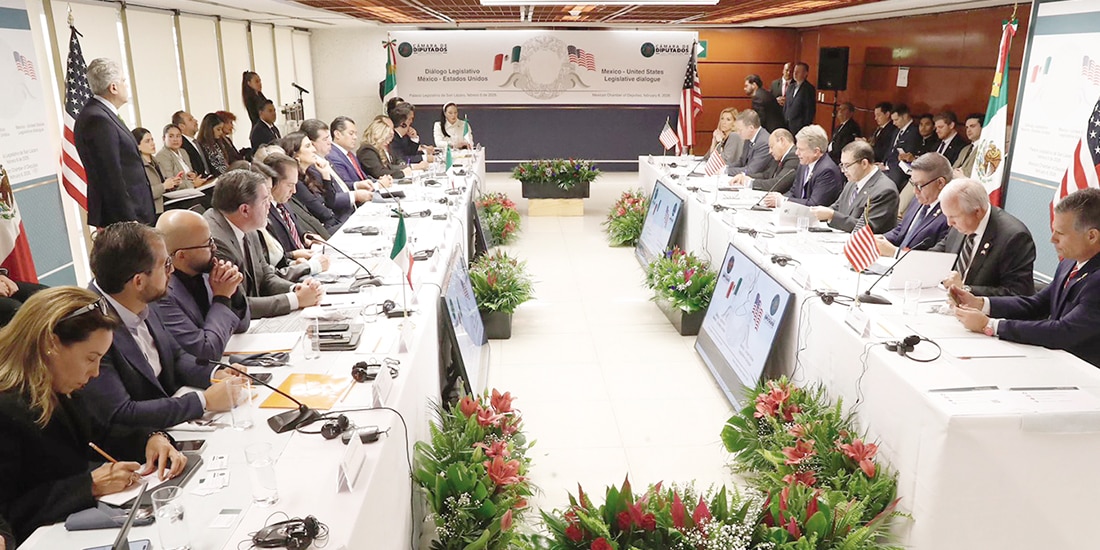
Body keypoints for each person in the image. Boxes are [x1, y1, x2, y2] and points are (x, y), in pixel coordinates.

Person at [0, 287, 187, 544]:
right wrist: (88, 486)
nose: (96, 372)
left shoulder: (59, 386)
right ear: (50, 343)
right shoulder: (6, 408)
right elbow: (8, 515)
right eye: (91, 358)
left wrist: (152, 439)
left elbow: (101, 434)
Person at [81, 222, 242, 431]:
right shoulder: (90, 328)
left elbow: (175, 357)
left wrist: (216, 374)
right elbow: (121, 413)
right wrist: (204, 402)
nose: (172, 270)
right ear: (139, 281)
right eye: (166, 264)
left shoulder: (141, 297)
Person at [952, 188, 1100, 366]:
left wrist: (990, 325)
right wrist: (981, 304)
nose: (1052, 239)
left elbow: (1064, 332)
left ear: (1092, 236)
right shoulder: (1071, 261)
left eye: (1060, 233)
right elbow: (1037, 304)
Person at [204, 169, 324, 318]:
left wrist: (297, 289)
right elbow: (237, 305)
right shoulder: (216, 241)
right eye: (265, 200)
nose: (270, 205)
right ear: (245, 210)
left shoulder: (247, 226)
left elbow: (265, 277)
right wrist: (296, 300)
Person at [155, 210, 250, 361]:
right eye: (208, 244)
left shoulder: (206, 272)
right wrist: (222, 297)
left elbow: (242, 325)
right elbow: (206, 351)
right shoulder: (162, 295)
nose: (215, 249)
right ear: (181, 255)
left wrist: (233, 289)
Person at [73, 58, 154, 227]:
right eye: (123, 81)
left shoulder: (102, 114)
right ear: (114, 87)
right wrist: (128, 219)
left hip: (135, 211)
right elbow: (110, 174)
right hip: (124, 217)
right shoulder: (97, 119)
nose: (126, 85)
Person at [931, 178, 1036, 297]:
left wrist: (965, 289)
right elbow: (939, 252)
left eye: (953, 217)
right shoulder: (961, 222)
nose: (949, 223)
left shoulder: (1014, 238)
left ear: (977, 212)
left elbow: (1017, 294)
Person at [235, 161, 328, 283]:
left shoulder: (254, 225)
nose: (270, 200)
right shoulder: (245, 230)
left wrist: (293, 263)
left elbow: (269, 268)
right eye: (266, 195)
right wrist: (307, 267)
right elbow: (264, 281)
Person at [812, 140, 899, 233]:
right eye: (842, 165)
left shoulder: (885, 190)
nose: (843, 170)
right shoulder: (852, 181)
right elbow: (838, 207)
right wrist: (820, 213)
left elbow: (866, 227)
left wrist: (832, 216)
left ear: (864, 163)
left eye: (847, 165)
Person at [877, 152, 953, 256]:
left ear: (940, 183)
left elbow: (934, 257)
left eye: (919, 185)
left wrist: (895, 253)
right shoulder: (920, 199)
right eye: (913, 183)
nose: (915, 191)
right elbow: (902, 230)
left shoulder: (951, 215)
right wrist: (881, 239)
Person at [300, 119, 373, 215]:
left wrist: (357, 185)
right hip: (340, 217)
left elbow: (340, 186)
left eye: (329, 137)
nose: (330, 142)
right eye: (325, 139)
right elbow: (329, 199)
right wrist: (355, 196)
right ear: (312, 143)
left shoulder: (326, 159)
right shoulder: (313, 168)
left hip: (352, 211)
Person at [281, 132, 350, 231]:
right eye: (308, 146)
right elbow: (324, 213)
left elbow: (331, 202)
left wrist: (326, 175)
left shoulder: (311, 173)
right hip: (323, 230)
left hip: (332, 223)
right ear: (296, 155)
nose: (314, 150)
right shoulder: (296, 183)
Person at [764, 125, 843, 208]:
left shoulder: (827, 171)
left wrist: (782, 201)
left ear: (816, 151)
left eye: (801, 149)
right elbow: (793, 192)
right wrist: (776, 199)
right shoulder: (804, 164)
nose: (796, 153)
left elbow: (814, 204)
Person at [264, 152, 331, 241]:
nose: (294, 191)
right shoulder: (264, 212)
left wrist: (306, 237)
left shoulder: (284, 203)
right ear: (273, 182)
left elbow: (297, 231)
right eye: (289, 185)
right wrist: (293, 255)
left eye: (295, 184)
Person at [728, 128, 798, 194]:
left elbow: (777, 184)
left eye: (772, 146)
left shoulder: (794, 157)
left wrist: (749, 183)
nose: (770, 151)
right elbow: (766, 175)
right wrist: (745, 176)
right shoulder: (780, 156)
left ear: (782, 141)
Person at [132, 127, 184, 215]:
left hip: (166, 203)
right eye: (147, 141)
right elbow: (143, 194)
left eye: (152, 140)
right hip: (153, 210)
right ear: (138, 146)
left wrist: (173, 183)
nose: (152, 143)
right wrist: (164, 186)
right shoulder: (137, 167)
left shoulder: (155, 161)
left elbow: (165, 183)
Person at [328, 116, 386, 189]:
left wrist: (378, 182)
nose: (355, 137)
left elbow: (362, 177)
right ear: (337, 134)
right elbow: (345, 185)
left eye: (356, 134)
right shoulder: (333, 156)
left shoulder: (350, 154)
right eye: (351, 133)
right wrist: (376, 186)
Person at [154, 124, 208, 190]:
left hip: (192, 189)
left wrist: (193, 174)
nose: (175, 139)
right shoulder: (162, 155)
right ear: (164, 138)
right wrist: (193, 184)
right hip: (180, 194)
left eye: (178, 136)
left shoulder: (183, 152)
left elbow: (190, 171)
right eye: (171, 136)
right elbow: (171, 182)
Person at [882, 103, 920, 190]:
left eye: (896, 120)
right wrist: (883, 163)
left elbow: (906, 155)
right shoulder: (896, 131)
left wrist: (887, 167)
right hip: (887, 166)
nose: (894, 123)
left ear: (905, 116)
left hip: (899, 170)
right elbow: (890, 149)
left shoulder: (914, 132)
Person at [725, 110, 774, 177]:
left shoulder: (764, 143)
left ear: (751, 128)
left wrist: (726, 171)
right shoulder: (748, 138)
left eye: (740, 130)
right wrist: (725, 167)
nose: (738, 133)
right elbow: (741, 162)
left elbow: (751, 170)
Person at [171, 110, 210, 176]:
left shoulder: (197, 142)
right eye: (190, 119)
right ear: (182, 126)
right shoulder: (181, 145)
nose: (195, 121)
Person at [783, 62, 816, 136]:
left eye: (798, 72)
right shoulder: (790, 87)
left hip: (799, 127)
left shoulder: (809, 89)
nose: (795, 73)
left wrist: (804, 126)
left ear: (805, 74)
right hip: (787, 125)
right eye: (795, 71)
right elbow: (786, 105)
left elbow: (809, 110)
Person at [953, 113, 984, 177]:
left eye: (972, 126)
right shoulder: (965, 149)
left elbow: (974, 173)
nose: (968, 130)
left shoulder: (985, 148)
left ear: (983, 127)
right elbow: (953, 169)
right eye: (967, 127)